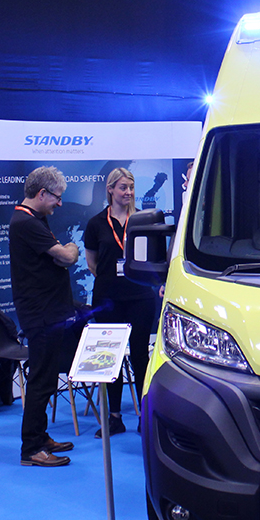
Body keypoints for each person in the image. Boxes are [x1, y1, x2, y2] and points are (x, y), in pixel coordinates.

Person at [9, 166, 79, 466]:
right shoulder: (26, 222)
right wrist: (72, 247)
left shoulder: (33, 220)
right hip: (41, 315)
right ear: (42, 193)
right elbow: (65, 257)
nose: (59, 204)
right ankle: (32, 449)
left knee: (47, 377)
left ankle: (40, 436)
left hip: (48, 313)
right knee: (40, 381)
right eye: (57, 197)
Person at [84, 167, 159, 436]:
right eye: (122, 188)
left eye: (130, 187)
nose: (128, 192)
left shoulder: (142, 220)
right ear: (110, 190)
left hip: (139, 297)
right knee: (109, 357)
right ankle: (113, 417)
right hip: (107, 298)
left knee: (140, 356)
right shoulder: (95, 224)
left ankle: (144, 416)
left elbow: (152, 258)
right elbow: (92, 262)